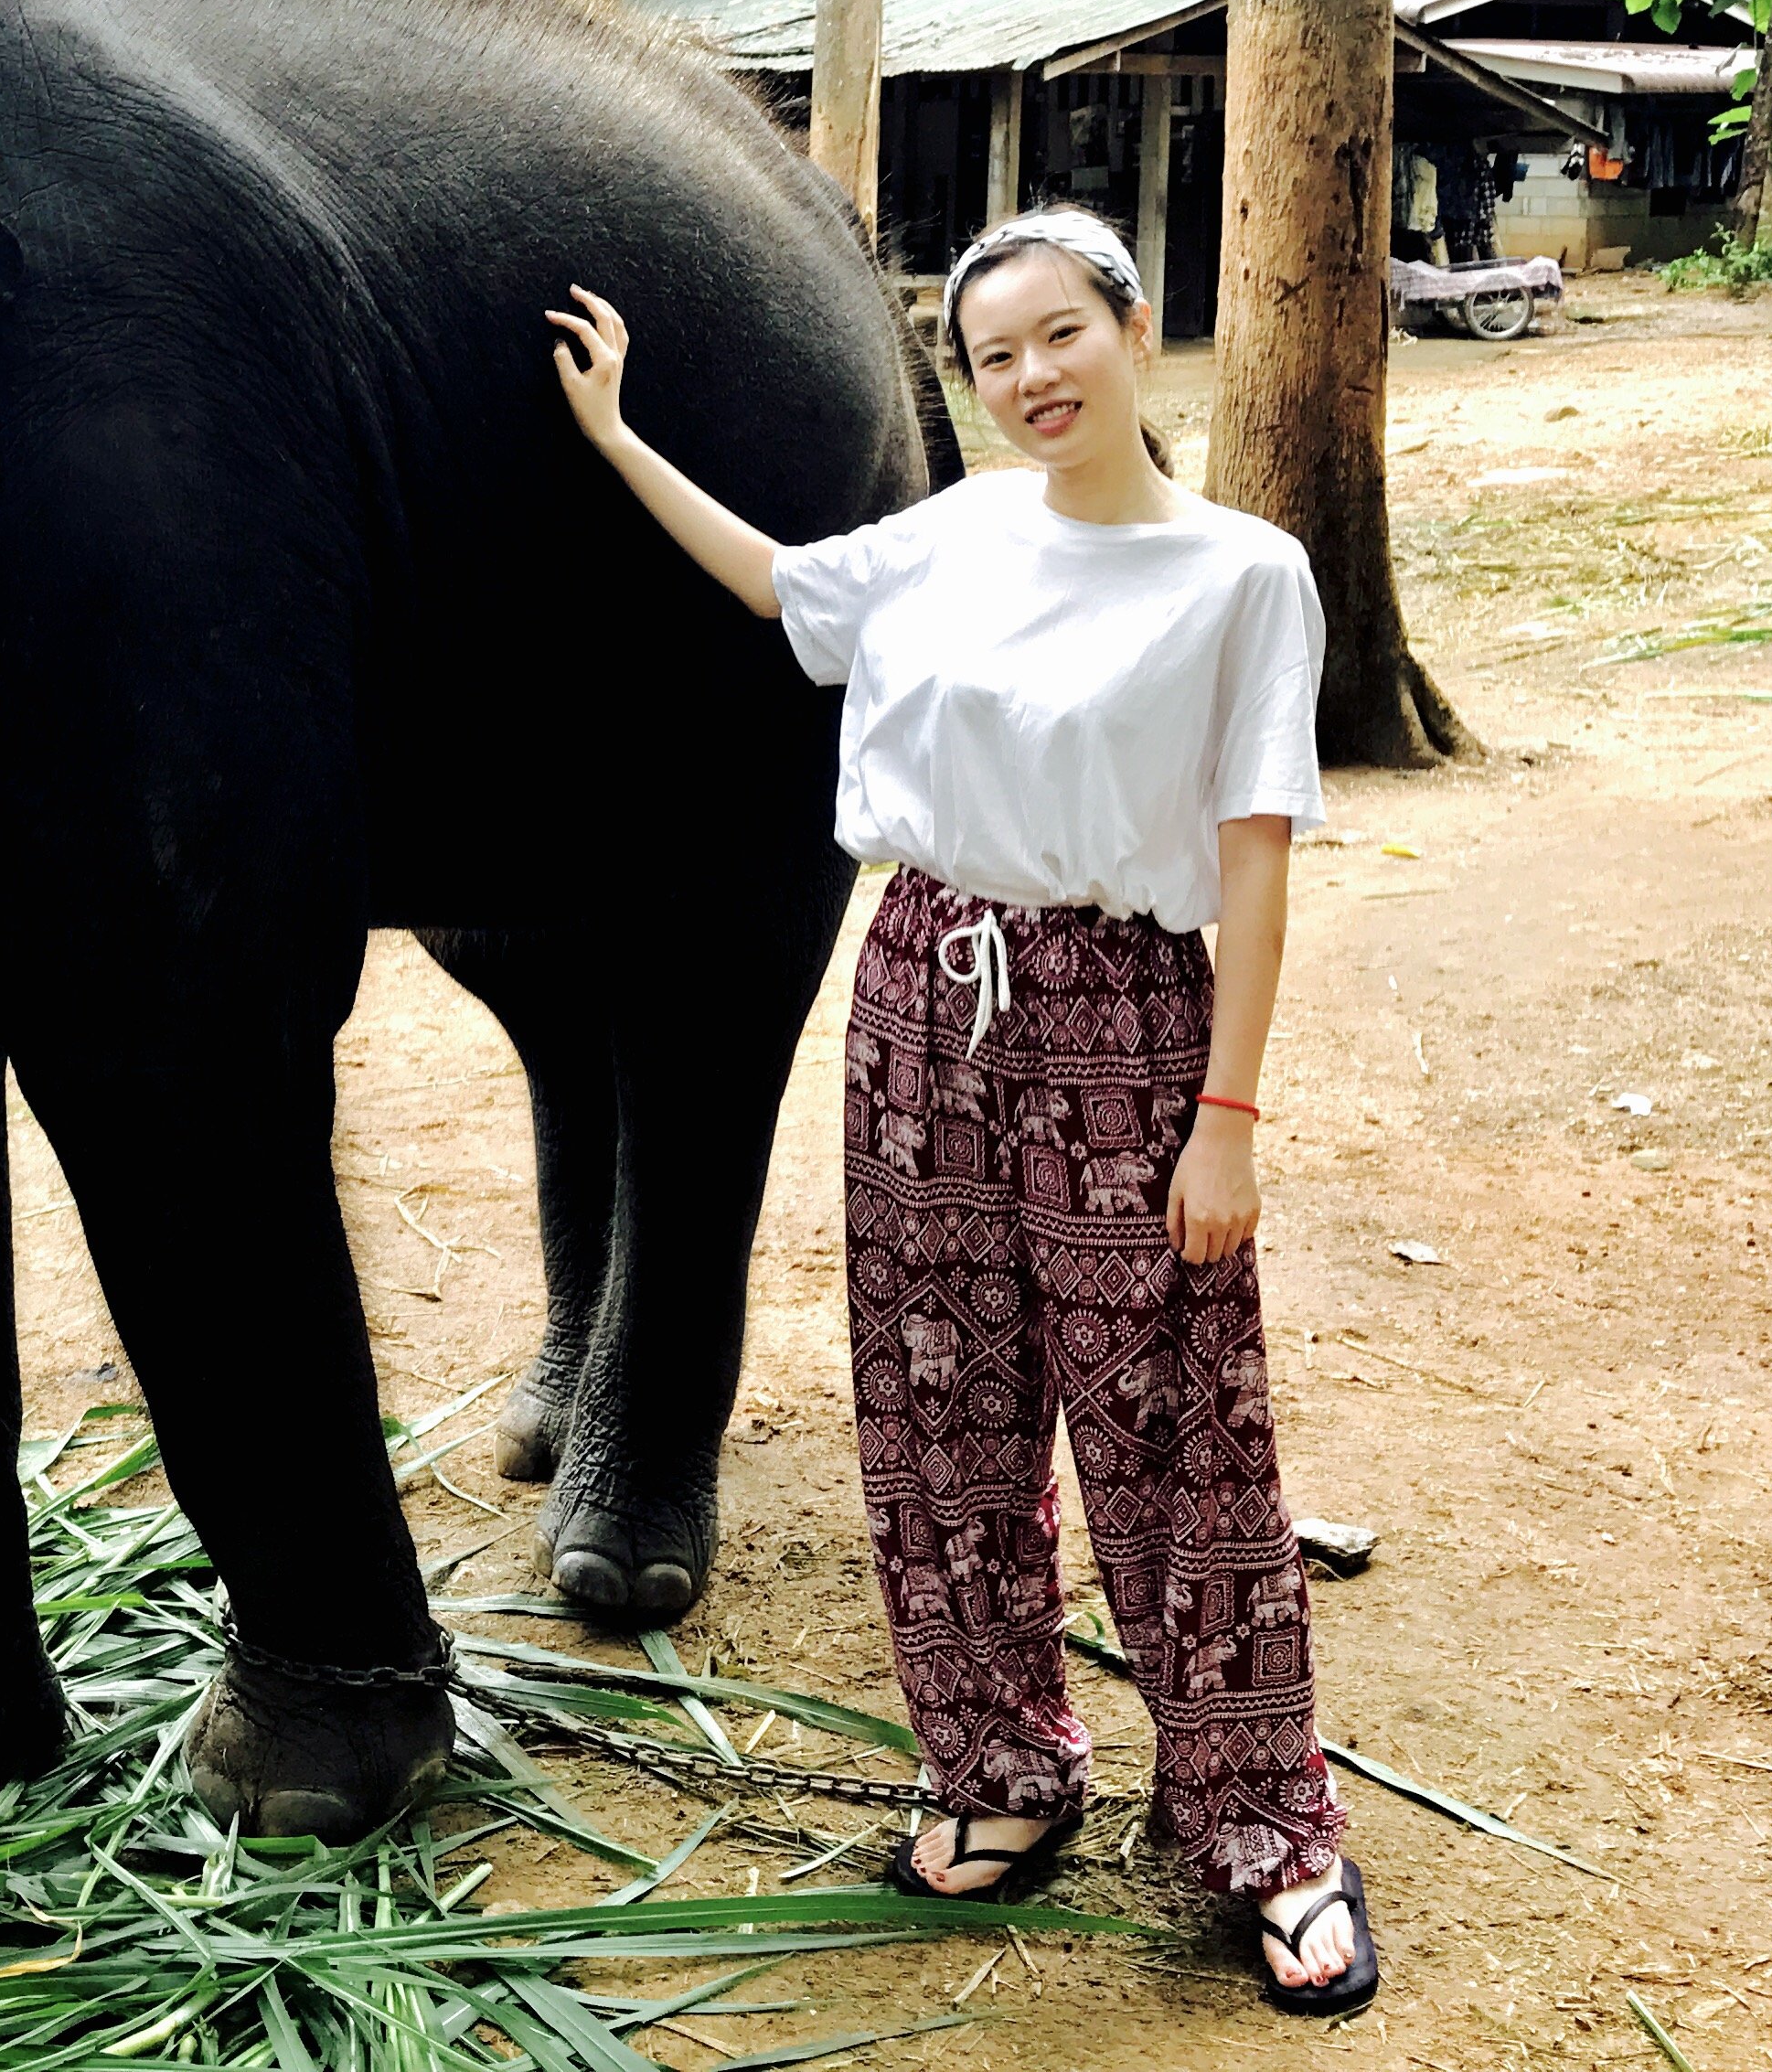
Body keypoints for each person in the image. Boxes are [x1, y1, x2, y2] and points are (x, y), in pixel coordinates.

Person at [543, 210, 1377, 2015]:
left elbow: (1252, 867)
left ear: (1138, 329)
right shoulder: (956, 533)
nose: (1033, 380)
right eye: (997, 356)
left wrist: (1226, 1113)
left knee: (1171, 1431)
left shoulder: (1245, 577)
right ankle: (1000, 1768)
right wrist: (617, 441)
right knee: (941, 1417)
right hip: (922, 987)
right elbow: (781, 589)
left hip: (1125, 1018)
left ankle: (1263, 1826)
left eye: (1062, 335)